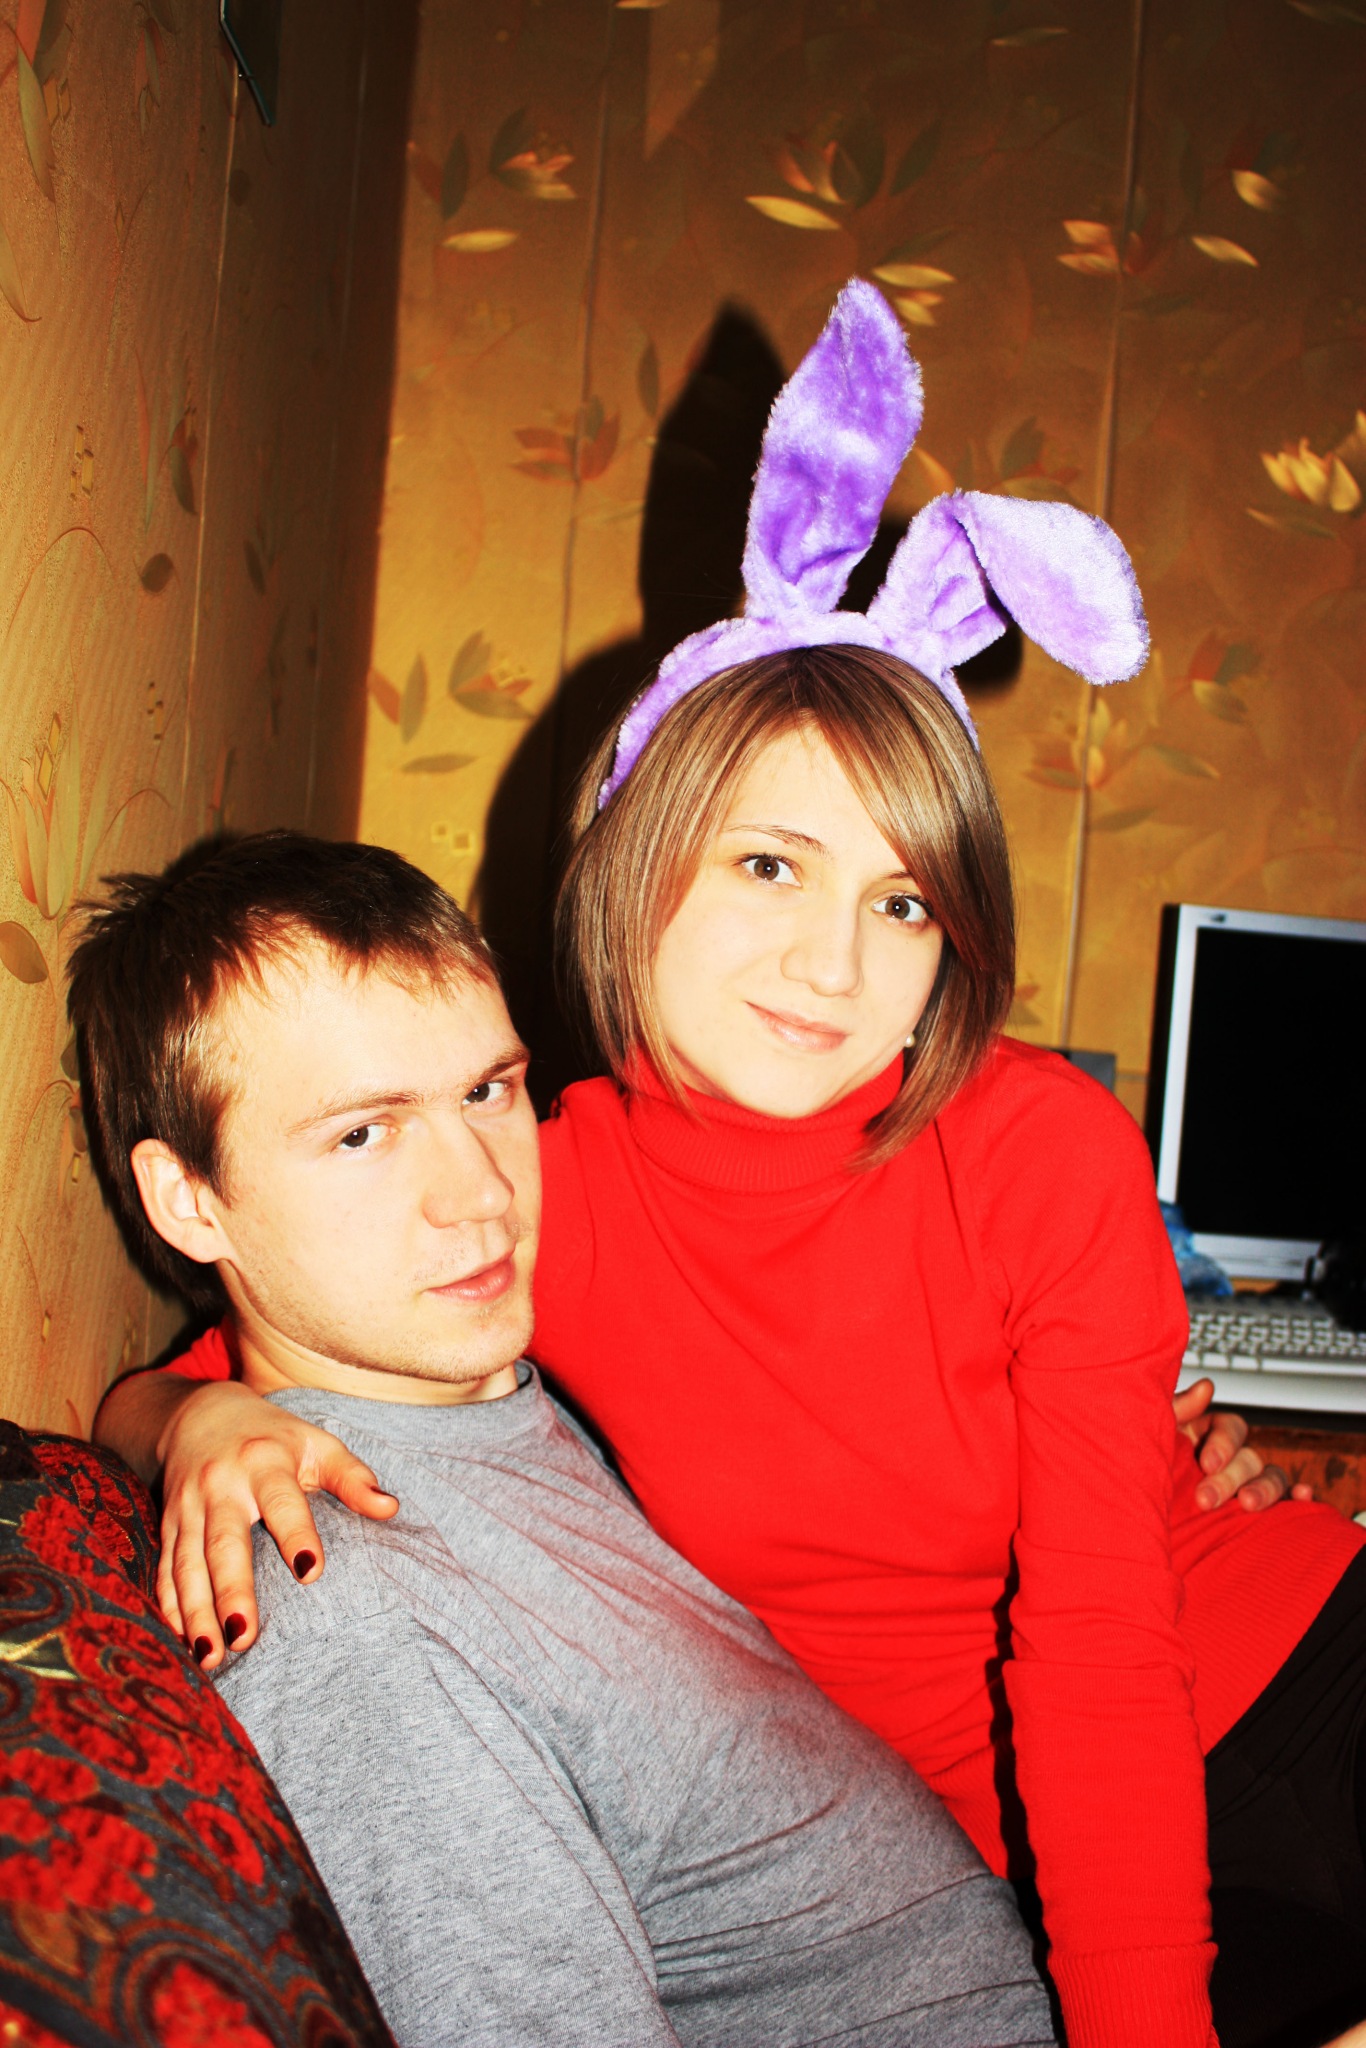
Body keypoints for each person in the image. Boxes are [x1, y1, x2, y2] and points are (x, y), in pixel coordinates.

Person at [94, 284, 1366, 2048]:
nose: (834, 965)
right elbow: (230, 1328)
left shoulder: (1036, 1147)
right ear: (642, 851)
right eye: (770, 864)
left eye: (901, 900)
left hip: (1263, 1696)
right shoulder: (533, 1186)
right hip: (1006, 1869)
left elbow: (1096, 1646)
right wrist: (187, 1424)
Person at [67, 837, 1057, 2048]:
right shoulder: (355, 1612)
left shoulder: (508, 1400)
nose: (482, 1191)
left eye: (488, 1091)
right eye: (363, 1134)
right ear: (189, 1199)